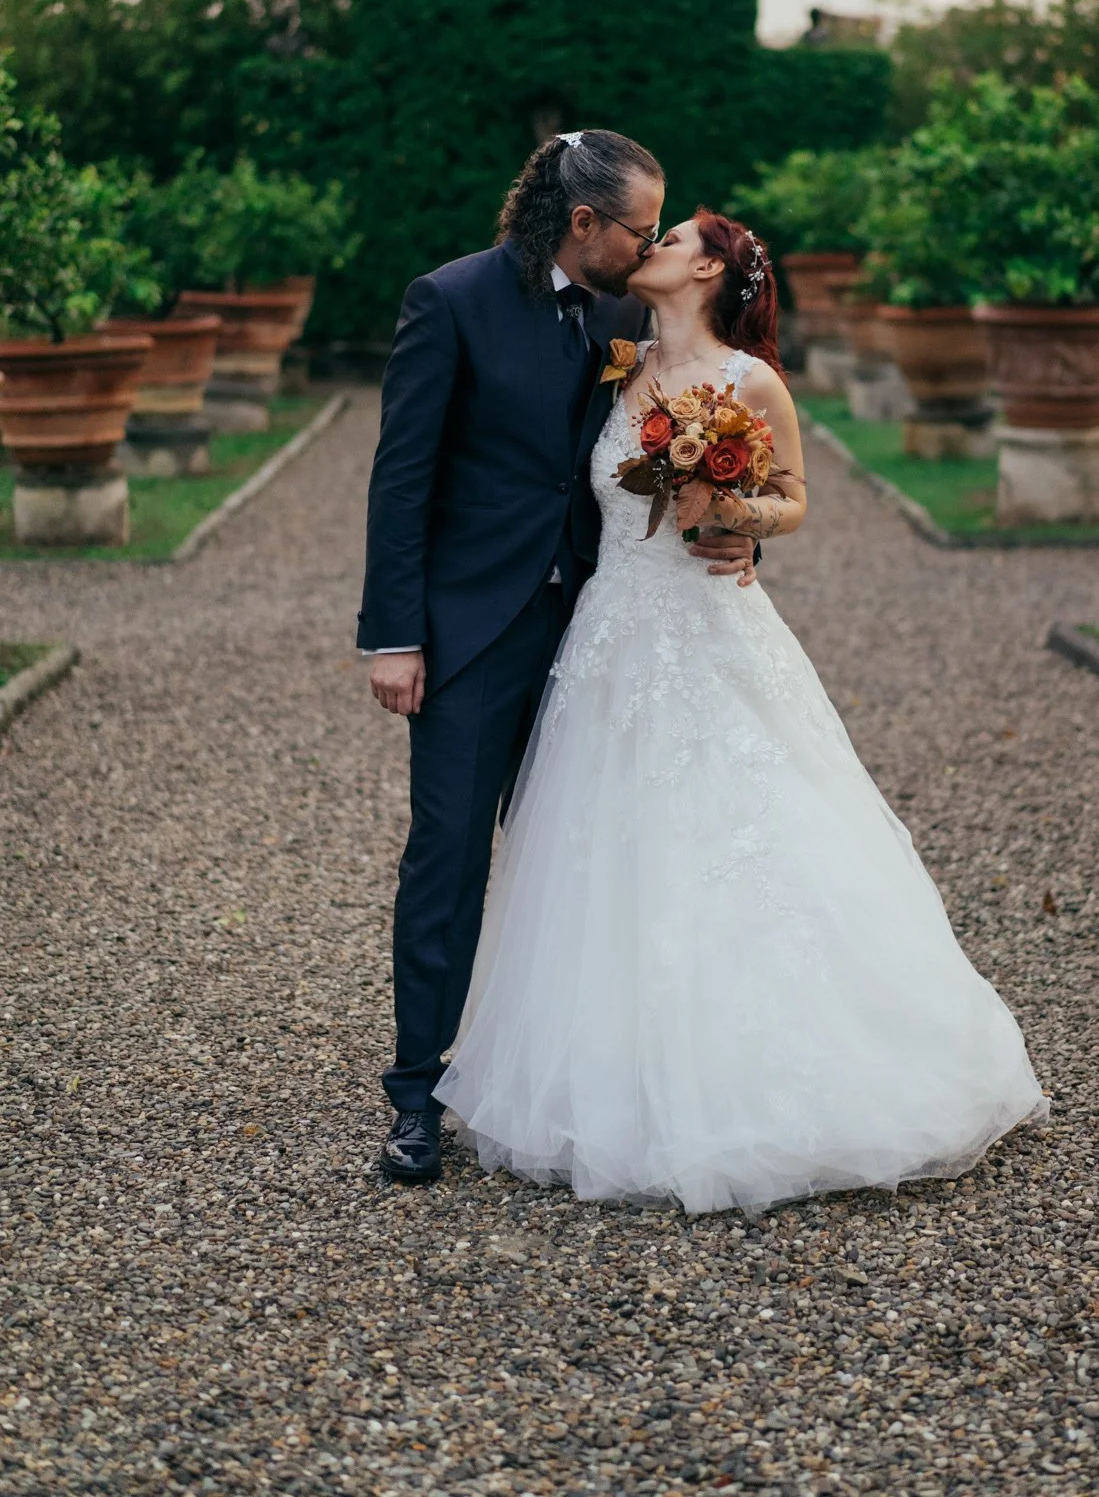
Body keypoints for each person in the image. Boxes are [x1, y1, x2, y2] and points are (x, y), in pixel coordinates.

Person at [435, 209, 1048, 1213]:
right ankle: (614, 1073)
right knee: (602, 851)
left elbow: (794, 493)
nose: (651, 247)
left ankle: (783, 1077)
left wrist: (737, 515)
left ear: (712, 268)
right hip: (606, 637)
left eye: (671, 237)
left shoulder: (751, 380)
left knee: (751, 829)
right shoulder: (611, 361)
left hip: (710, 628)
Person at [358, 133, 759, 1184]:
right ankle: (414, 1092)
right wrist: (394, 635)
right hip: (472, 632)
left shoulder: (635, 319)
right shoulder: (448, 302)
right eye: (641, 225)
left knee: (591, 860)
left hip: (599, 632)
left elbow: (693, 455)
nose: (648, 242)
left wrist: (737, 524)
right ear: (584, 223)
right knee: (446, 856)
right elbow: (401, 481)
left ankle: (586, 1084)